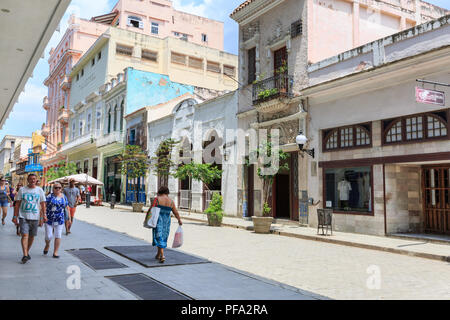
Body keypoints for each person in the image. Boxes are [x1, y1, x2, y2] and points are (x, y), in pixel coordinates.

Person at [12, 173, 46, 264]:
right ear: (28, 180)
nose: (32, 180)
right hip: (23, 216)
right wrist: (15, 216)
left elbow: (43, 204)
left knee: (32, 236)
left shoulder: (39, 190)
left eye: (34, 179)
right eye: (30, 179)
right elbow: (17, 204)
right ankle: (25, 254)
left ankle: (27, 251)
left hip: (35, 217)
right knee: (25, 235)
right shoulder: (22, 190)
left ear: (36, 180)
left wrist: (44, 216)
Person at [147, 186, 182, 263]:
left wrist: (147, 217)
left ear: (160, 191)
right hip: (167, 221)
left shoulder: (157, 199)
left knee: (158, 236)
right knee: (163, 236)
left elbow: (151, 209)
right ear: (167, 192)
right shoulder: (171, 201)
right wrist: (179, 220)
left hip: (158, 219)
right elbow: (175, 212)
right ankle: (158, 254)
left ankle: (162, 255)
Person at [43, 182, 68, 258]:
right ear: (53, 189)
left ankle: (55, 252)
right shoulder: (49, 196)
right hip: (49, 219)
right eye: (56, 187)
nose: (57, 189)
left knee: (58, 235)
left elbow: (66, 207)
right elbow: (44, 206)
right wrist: (43, 216)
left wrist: (68, 218)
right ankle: (47, 245)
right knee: (49, 236)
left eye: (59, 188)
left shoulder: (64, 197)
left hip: (60, 219)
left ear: (61, 189)